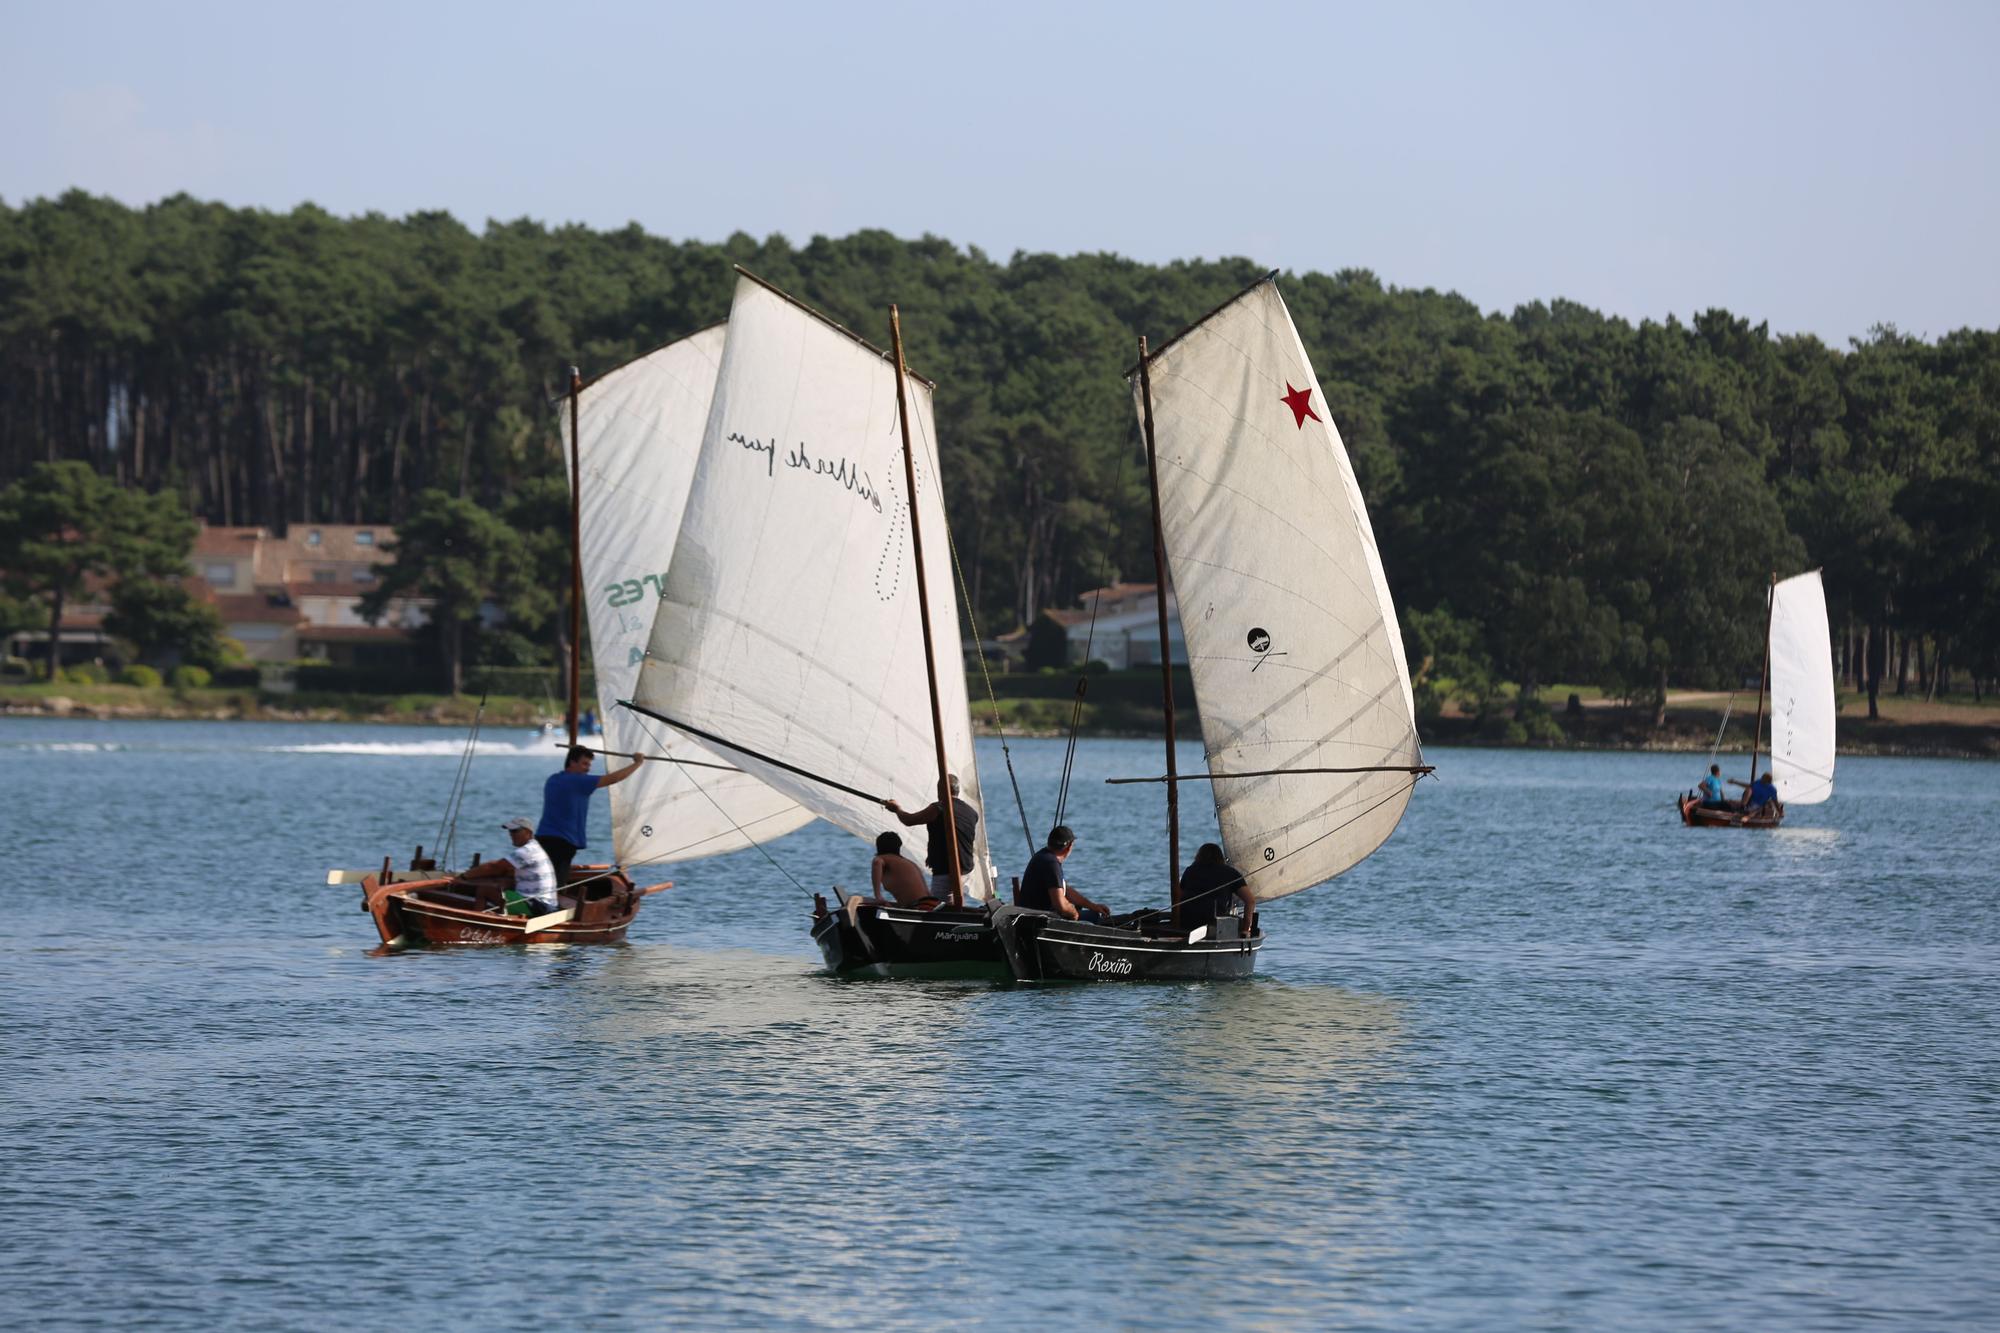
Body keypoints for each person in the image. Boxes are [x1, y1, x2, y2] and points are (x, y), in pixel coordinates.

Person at [538, 745, 643, 883]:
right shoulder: (579, 781)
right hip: (562, 842)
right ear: (572, 762)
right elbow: (614, 778)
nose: (588, 768)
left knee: (545, 878)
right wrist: (637, 763)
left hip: (543, 837)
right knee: (557, 883)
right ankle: (552, 903)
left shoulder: (553, 779)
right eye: (584, 764)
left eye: (589, 764)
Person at [884, 773, 980, 903]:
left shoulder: (938, 808)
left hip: (947, 870)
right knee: (954, 904)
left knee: (940, 907)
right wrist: (933, 854)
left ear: (942, 790)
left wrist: (897, 809)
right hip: (965, 869)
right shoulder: (971, 812)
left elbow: (909, 820)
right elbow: (956, 835)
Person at [457, 816, 562, 915]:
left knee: (484, 890)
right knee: (502, 885)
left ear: (528, 833)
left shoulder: (528, 850)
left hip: (538, 906)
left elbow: (495, 867)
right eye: (510, 831)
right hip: (544, 904)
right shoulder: (535, 848)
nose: (511, 834)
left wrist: (463, 877)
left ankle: (476, 922)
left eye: (515, 831)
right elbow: (504, 871)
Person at [1016, 825, 1112, 923]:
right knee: (1093, 917)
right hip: (1041, 920)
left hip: (1030, 916)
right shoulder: (1051, 864)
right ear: (1069, 846)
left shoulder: (1042, 856)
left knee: (1088, 910)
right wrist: (1074, 914)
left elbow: (1066, 891)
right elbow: (1061, 906)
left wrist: (1092, 906)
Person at [1177, 842, 1255, 934]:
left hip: (1187, 921)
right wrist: (1245, 929)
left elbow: (1178, 897)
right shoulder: (1230, 873)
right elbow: (1250, 901)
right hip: (1215, 923)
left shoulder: (1190, 871)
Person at [870, 831, 935, 908]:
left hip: (919, 907)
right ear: (898, 847)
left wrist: (878, 896)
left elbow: (877, 863)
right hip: (931, 904)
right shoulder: (910, 863)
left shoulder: (882, 858)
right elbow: (927, 892)